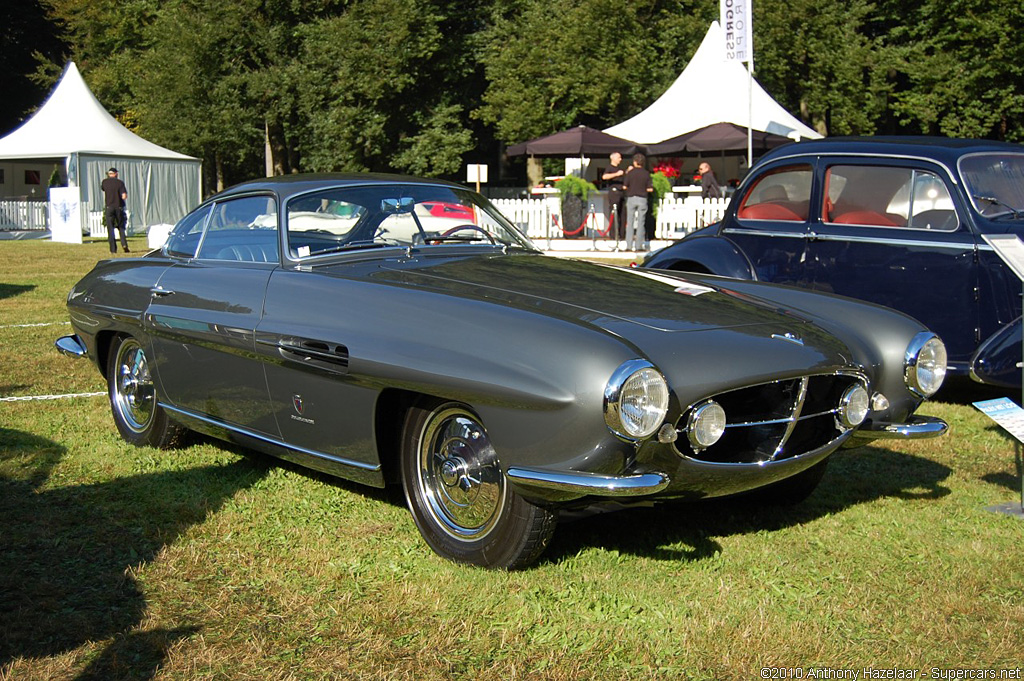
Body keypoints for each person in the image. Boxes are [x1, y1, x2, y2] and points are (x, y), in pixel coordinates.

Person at [622, 153, 653, 251]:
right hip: (642, 198)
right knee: (641, 222)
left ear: (634, 162)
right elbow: (650, 189)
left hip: (631, 198)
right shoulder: (646, 173)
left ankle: (629, 246)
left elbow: (624, 186)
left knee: (630, 222)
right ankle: (639, 246)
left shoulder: (630, 173)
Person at [101, 167, 129, 253]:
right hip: (118, 207)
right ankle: (124, 244)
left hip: (109, 207)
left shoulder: (104, 182)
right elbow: (124, 196)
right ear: (115, 173)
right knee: (121, 226)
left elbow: (103, 189)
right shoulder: (120, 183)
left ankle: (113, 249)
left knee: (110, 228)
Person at [601, 152, 626, 242]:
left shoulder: (619, 168)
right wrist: (616, 174)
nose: (620, 159)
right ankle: (614, 234)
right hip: (614, 192)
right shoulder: (610, 168)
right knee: (614, 213)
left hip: (622, 192)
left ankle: (622, 234)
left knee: (623, 214)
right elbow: (604, 176)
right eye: (619, 157)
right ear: (613, 158)